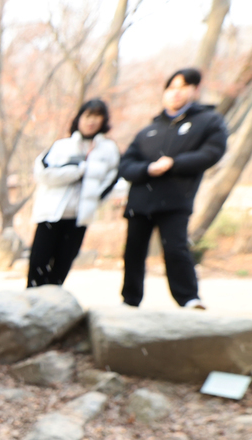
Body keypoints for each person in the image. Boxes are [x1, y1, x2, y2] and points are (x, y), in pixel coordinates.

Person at [117, 67, 228, 309]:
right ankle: (130, 299)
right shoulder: (149, 130)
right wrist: (147, 170)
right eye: (171, 88)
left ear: (195, 90)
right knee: (133, 251)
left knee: (176, 248)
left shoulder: (209, 121)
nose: (175, 94)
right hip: (140, 199)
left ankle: (188, 298)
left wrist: (174, 164)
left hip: (176, 198)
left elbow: (212, 153)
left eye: (182, 88)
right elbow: (125, 165)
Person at [29, 99, 122, 288]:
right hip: (51, 214)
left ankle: (54, 304)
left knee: (62, 265)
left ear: (103, 121)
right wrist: (79, 170)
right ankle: (31, 300)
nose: (91, 121)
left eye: (97, 116)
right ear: (79, 118)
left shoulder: (109, 149)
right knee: (38, 263)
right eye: (88, 115)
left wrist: (95, 199)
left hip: (79, 217)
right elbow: (43, 173)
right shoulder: (61, 146)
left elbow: (113, 180)